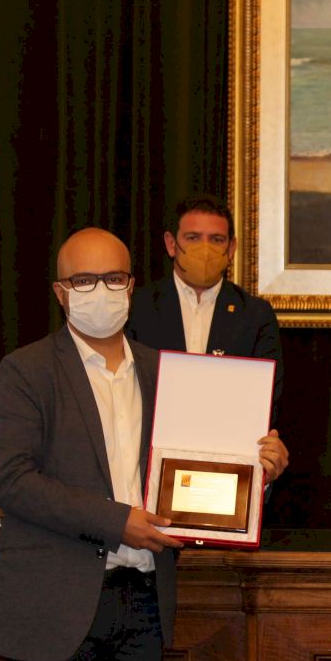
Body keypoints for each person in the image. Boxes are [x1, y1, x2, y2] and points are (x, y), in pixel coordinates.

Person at [0, 227, 185, 661]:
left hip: (142, 601)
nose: (101, 291)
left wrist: (257, 469)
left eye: (113, 278)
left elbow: (201, 472)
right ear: (60, 291)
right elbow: (11, 480)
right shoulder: (27, 371)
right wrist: (118, 523)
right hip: (54, 601)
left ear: (131, 286)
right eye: (84, 280)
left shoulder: (165, 373)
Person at [127, 193, 288, 483]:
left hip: (227, 471)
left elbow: (267, 402)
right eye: (193, 238)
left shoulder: (255, 315)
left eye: (216, 240)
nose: (205, 249)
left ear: (231, 248)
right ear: (171, 244)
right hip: (148, 471)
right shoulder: (137, 308)